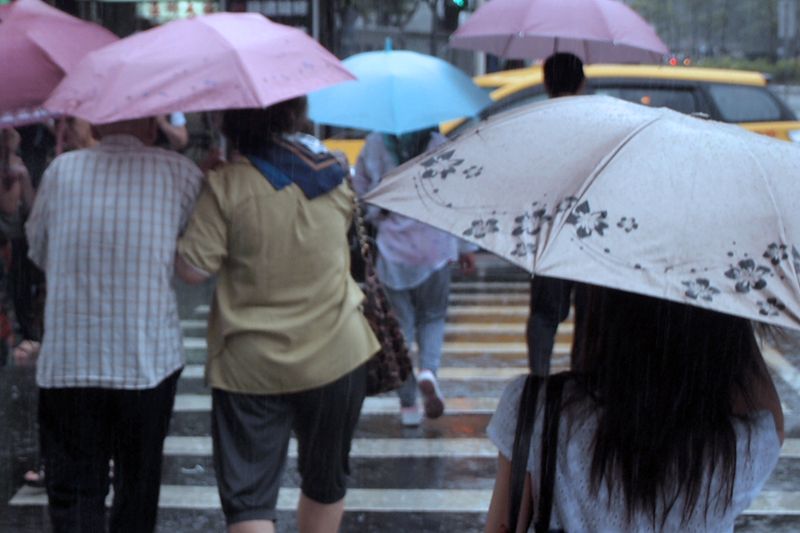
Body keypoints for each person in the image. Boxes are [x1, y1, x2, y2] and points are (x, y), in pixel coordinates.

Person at [175, 96, 379, 533]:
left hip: (250, 367)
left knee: (249, 501)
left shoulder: (226, 184)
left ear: (230, 122)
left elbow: (193, 271)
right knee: (326, 482)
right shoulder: (335, 175)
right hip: (337, 354)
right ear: (295, 115)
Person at [25, 116, 203, 533]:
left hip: (70, 361)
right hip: (146, 361)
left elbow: (38, 250)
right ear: (151, 124)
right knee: (137, 486)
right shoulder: (181, 172)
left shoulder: (60, 171)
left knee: (74, 490)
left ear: (99, 124)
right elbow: (196, 257)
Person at [485, 285, 783, 532]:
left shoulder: (539, 410)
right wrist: (731, 299)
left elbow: (502, 525)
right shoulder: (736, 452)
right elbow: (768, 414)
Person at [352, 128, 476, 426]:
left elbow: (360, 193)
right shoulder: (439, 145)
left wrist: (376, 214)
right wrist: (465, 247)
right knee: (433, 317)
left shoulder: (375, 145)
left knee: (400, 331)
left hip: (395, 252)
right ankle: (429, 372)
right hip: (436, 249)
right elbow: (456, 200)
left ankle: (408, 407)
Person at [526, 52, 588, 376]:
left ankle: (539, 377)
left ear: (546, 82)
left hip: (548, 229)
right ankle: (585, 377)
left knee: (545, 314)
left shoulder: (533, 122)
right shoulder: (596, 121)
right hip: (589, 231)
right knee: (590, 315)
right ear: (582, 82)